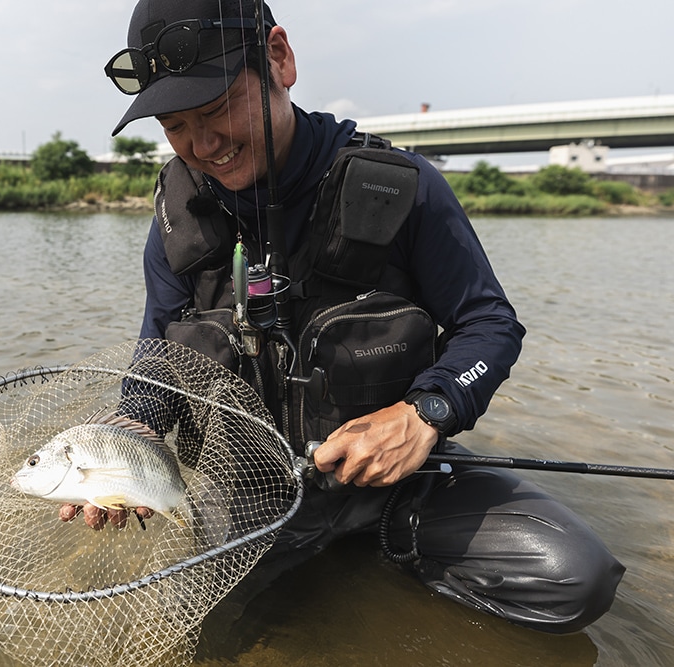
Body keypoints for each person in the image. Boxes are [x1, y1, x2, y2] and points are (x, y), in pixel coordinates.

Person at [95, 0, 625, 640]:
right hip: (256, 496)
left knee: (576, 578)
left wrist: (425, 413)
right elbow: (160, 353)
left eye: (216, 109)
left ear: (279, 58)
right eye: (175, 125)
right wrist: (130, 431)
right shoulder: (176, 218)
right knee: (184, 633)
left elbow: (489, 324)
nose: (204, 146)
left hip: (396, 486)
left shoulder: (404, 188)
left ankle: (391, 551)